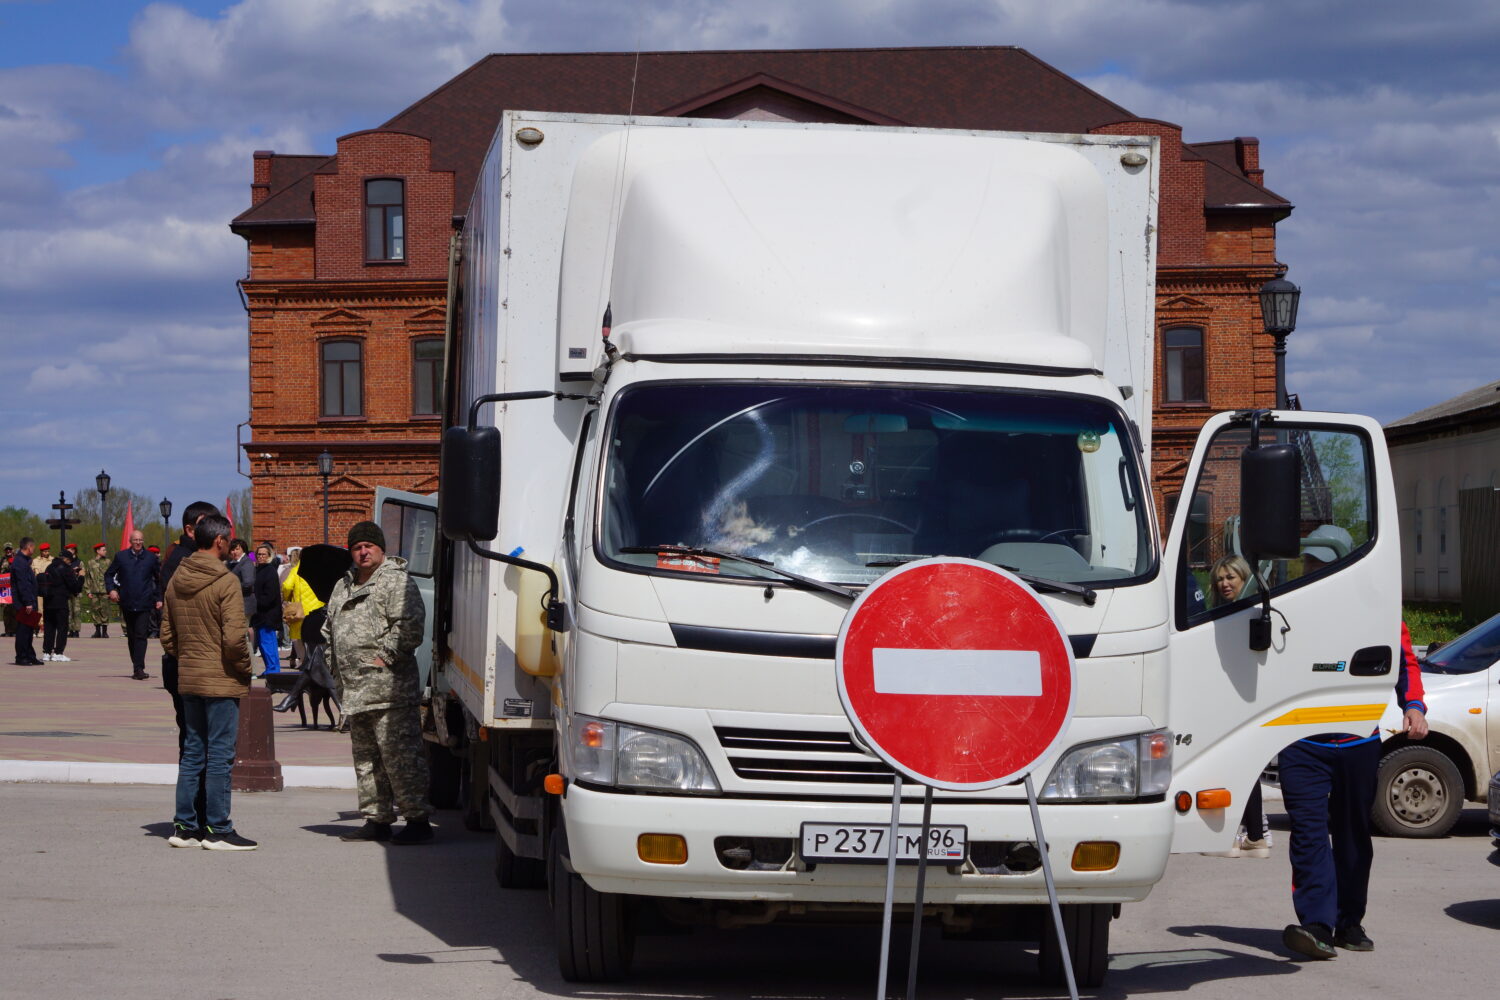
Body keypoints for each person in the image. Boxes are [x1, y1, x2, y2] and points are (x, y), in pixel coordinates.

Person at [1279, 526, 1428, 960]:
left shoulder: (1377, 608)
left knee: (1352, 838)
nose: (1313, 569)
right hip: (1301, 741)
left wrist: (1413, 705)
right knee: (1308, 836)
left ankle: (1349, 922)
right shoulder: (1292, 606)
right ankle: (1316, 925)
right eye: (1309, 561)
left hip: (1358, 740)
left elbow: (1404, 659)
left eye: (1322, 561)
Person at [326, 521, 432, 845]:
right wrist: (333, 663)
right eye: (357, 547)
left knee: (400, 758)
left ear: (381, 549)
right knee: (367, 760)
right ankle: (377, 819)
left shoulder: (396, 581)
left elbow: (410, 625)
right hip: (356, 691)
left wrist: (385, 657)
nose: (363, 552)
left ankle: (417, 820)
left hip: (389, 689)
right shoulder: (343, 585)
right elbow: (329, 626)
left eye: (368, 546)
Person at [159, 513, 256, 850]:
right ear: (219, 541)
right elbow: (233, 639)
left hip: (189, 676)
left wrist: (188, 657)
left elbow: (167, 636)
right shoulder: (225, 581)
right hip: (220, 679)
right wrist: (244, 667)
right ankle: (218, 828)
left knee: (192, 753)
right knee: (219, 756)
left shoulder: (176, 578)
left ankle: (184, 827)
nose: (230, 545)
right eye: (228, 540)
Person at [106, 531, 162, 680]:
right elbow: (109, 574)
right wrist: (111, 590)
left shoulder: (150, 558)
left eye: (141, 540)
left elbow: (159, 579)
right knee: (131, 636)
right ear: (130, 541)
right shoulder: (121, 556)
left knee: (141, 635)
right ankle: (136, 665)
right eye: (135, 540)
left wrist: (159, 598)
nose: (138, 543)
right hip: (127, 601)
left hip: (145, 601)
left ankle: (139, 668)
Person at [39, 548, 84, 662]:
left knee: (49, 627)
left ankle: (47, 652)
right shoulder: (66, 569)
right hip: (60, 602)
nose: (70, 563)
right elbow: (75, 587)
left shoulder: (49, 566)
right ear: (66, 559)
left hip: (48, 602)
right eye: (70, 561)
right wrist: (81, 577)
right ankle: (58, 653)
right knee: (62, 628)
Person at [282, 548, 323, 671]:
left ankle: (304, 662)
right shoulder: (318, 570)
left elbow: (287, 586)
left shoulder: (296, 571)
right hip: (317, 610)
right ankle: (317, 665)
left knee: (298, 639)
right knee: (316, 640)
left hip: (300, 611)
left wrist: (287, 596)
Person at [251, 543, 282, 674]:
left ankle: (273, 669)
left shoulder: (270, 571)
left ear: (269, 556)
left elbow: (270, 595)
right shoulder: (258, 570)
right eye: (258, 554)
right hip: (260, 614)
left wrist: (255, 602)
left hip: (268, 614)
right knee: (263, 645)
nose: (260, 557)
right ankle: (270, 668)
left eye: (263, 554)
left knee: (268, 644)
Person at [10, 538, 41, 665]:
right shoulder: (19, 562)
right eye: (33, 547)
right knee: (23, 631)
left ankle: (29, 655)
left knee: (29, 630)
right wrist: (28, 601)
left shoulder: (24, 561)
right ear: (28, 547)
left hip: (29, 600)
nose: (34, 549)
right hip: (24, 603)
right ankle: (21, 656)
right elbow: (23, 584)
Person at [227, 539, 257, 645]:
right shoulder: (233, 563)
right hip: (237, 603)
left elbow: (248, 583)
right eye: (232, 550)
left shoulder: (246, 562)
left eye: (237, 549)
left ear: (243, 549)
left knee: (241, 636)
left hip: (245, 603)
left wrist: (231, 589)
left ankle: (249, 660)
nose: (234, 552)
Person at [84, 543, 112, 637]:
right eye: (103, 550)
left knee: (105, 610)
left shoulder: (108, 562)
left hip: (105, 591)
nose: (105, 551)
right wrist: (88, 591)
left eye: (105, 549)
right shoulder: (91, 562)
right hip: (94, 590)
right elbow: (87, 577)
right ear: (98, 551)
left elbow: (111, 576)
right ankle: (97, 631)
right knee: (95, 610)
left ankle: (104, 631)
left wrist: (111, 590)